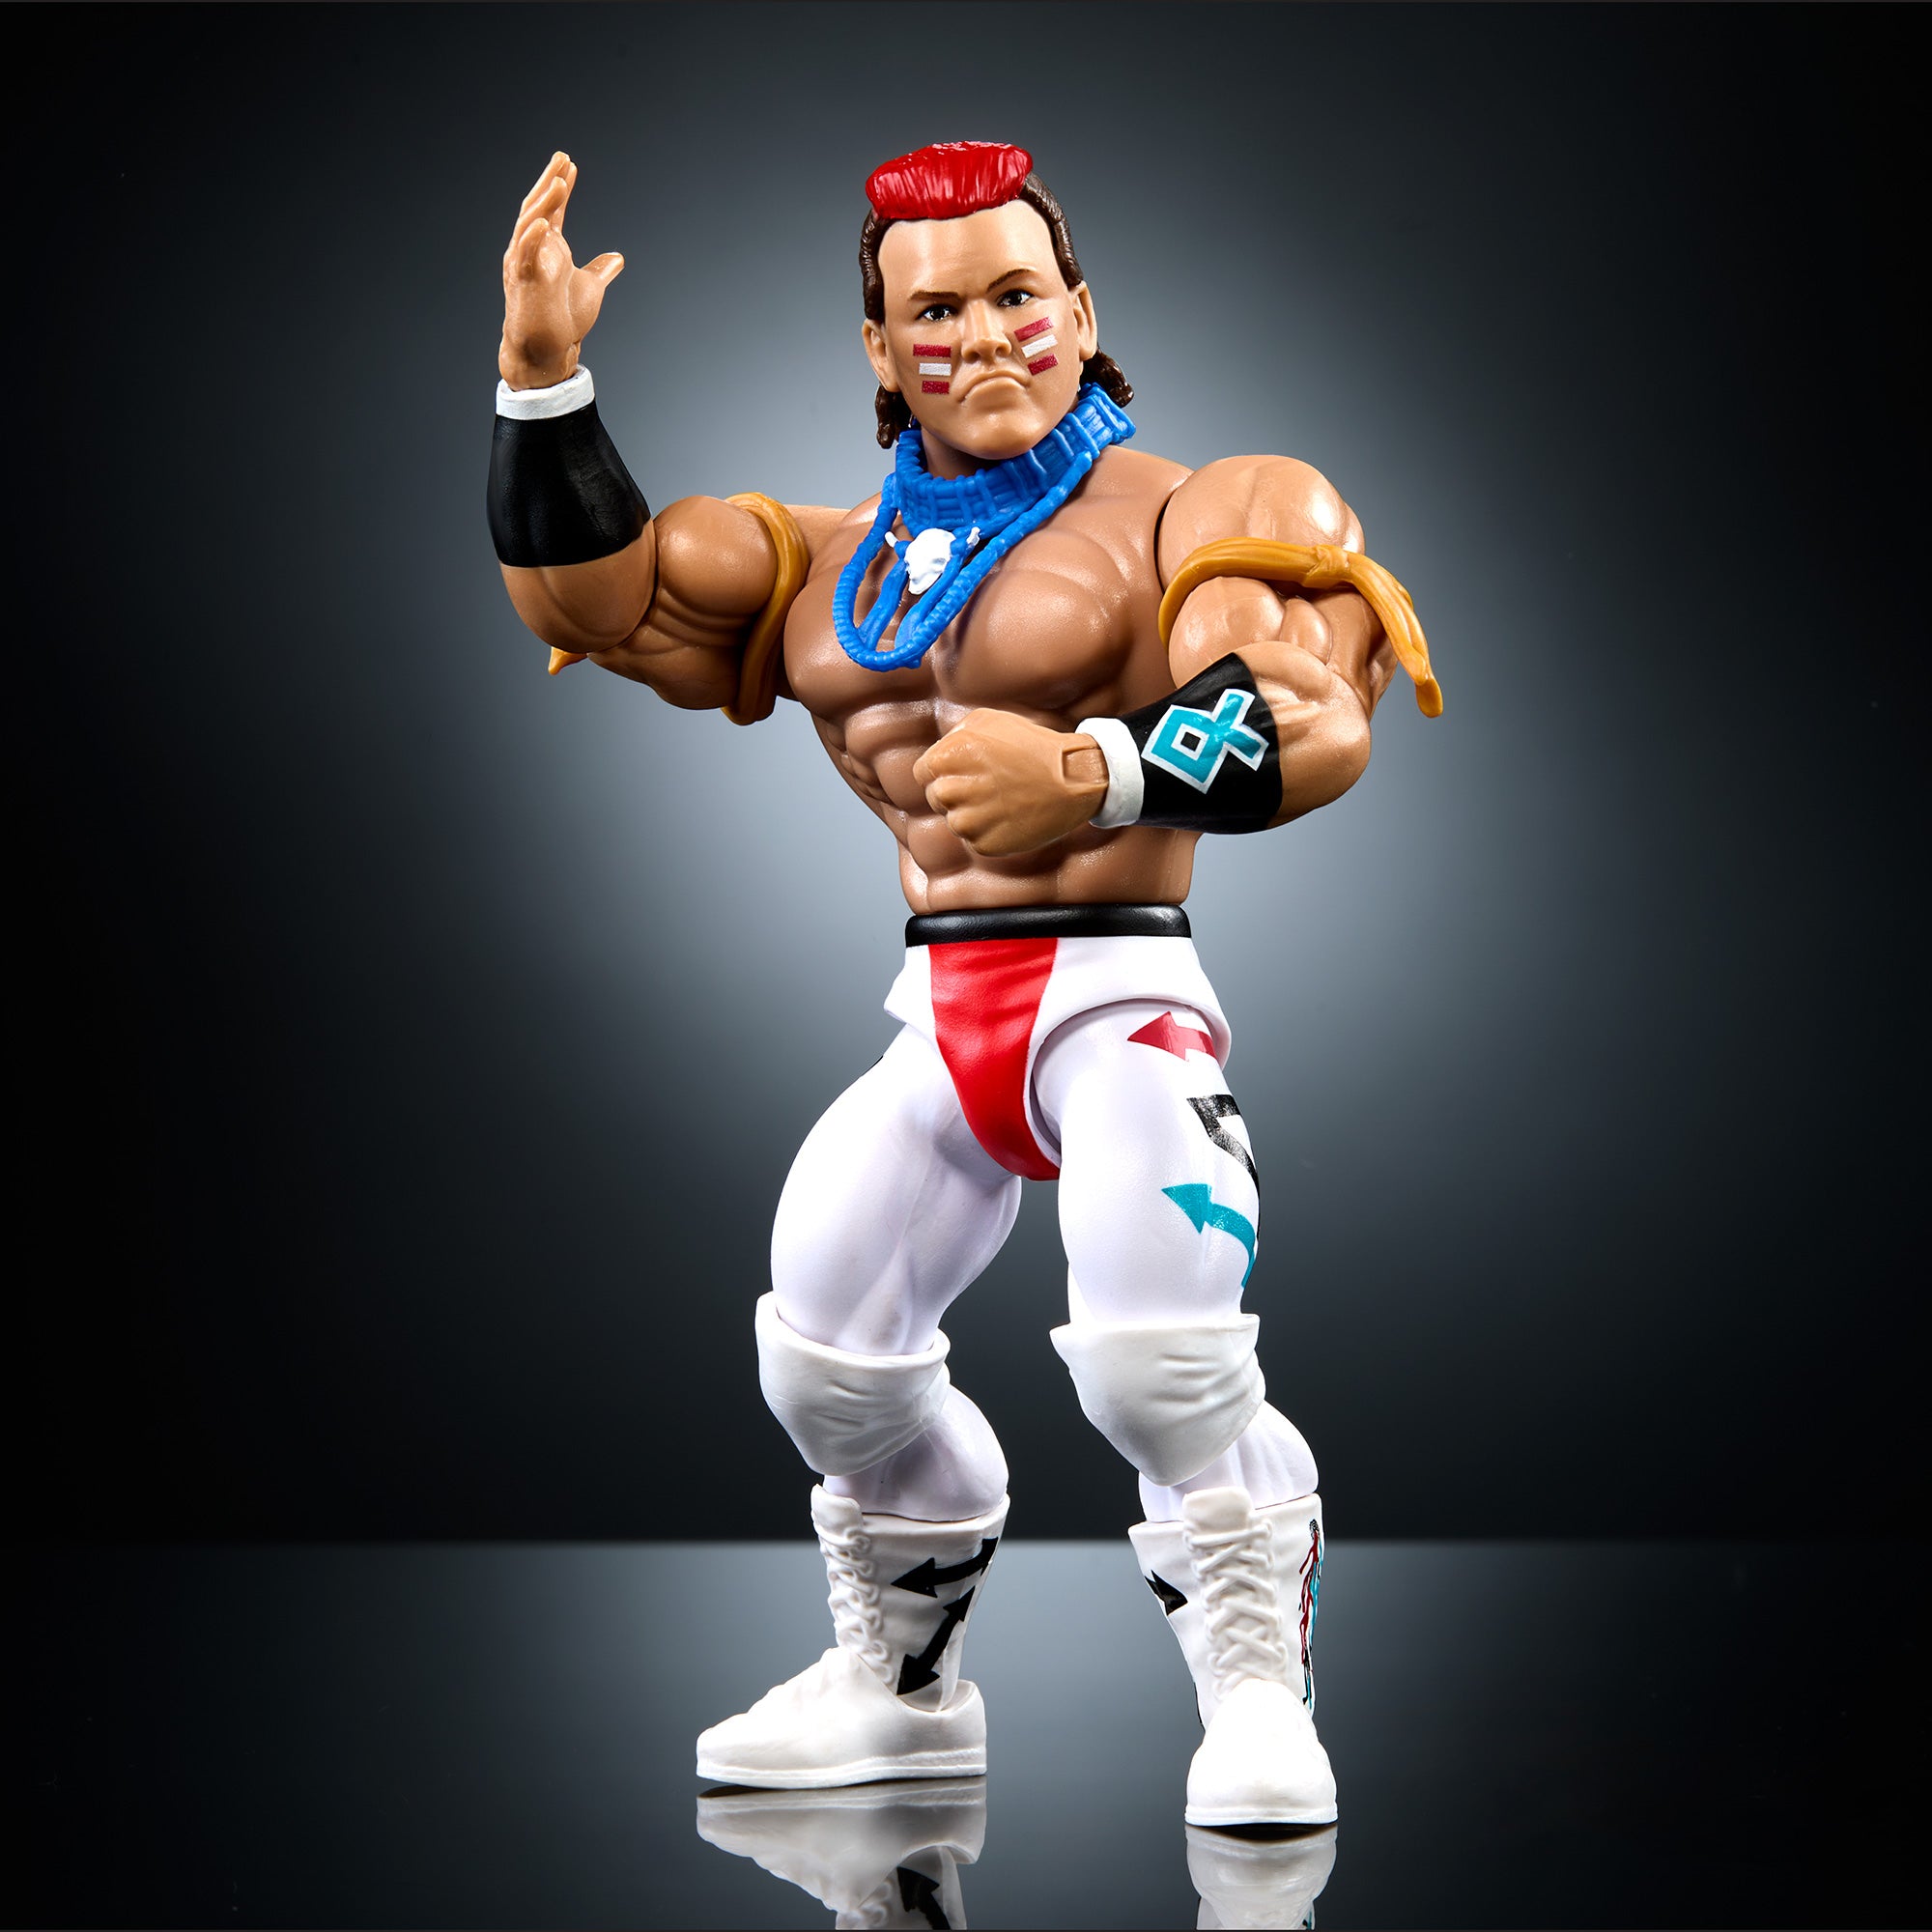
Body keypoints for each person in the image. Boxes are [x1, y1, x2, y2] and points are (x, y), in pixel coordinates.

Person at [488, 139, 1439, 1828]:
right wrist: (543, 377)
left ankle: (1255, 1695)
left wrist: (1096, 772)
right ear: (879, 345)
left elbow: (1311, 719)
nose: (986, 335)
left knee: (1158, 1361)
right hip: (942, 1009)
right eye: (938, 310)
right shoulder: (816, 560)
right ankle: (902, 1688)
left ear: (1083, 309)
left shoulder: (1206, 508)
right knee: (826, 1356)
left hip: (1119, 995)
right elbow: (601, 601)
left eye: (1017, 296)